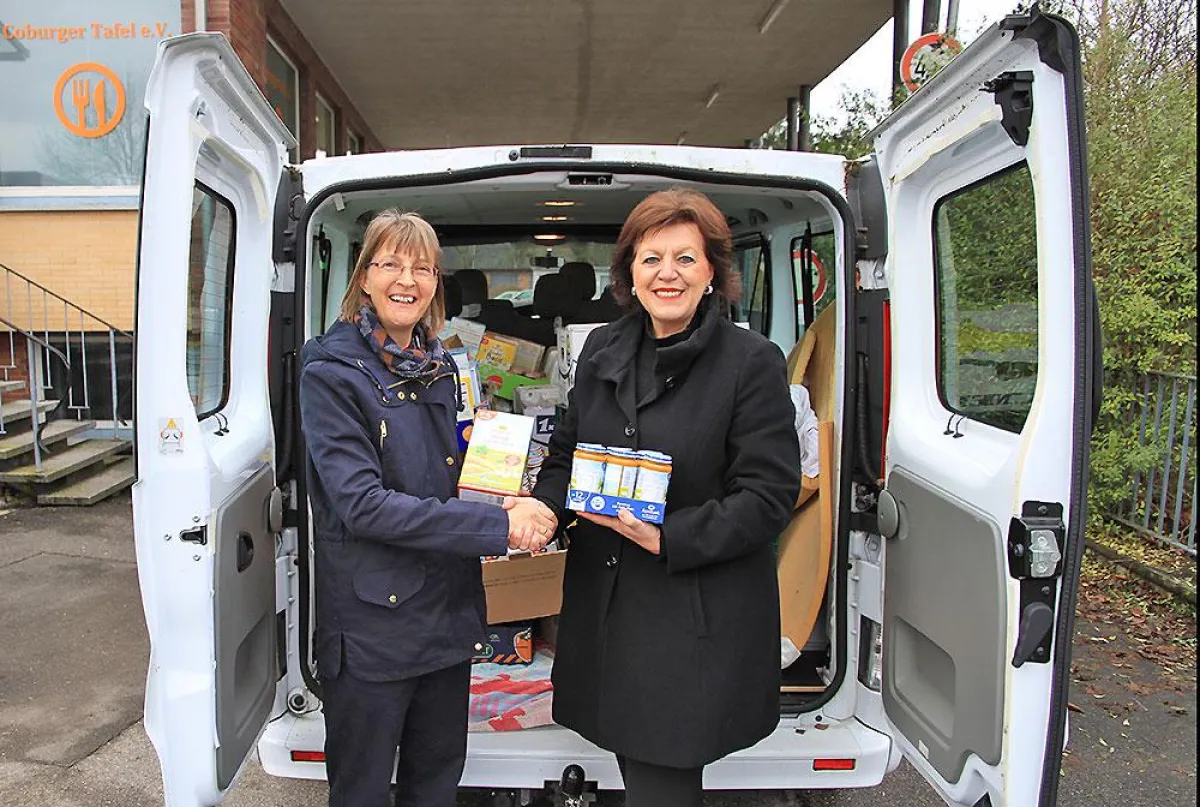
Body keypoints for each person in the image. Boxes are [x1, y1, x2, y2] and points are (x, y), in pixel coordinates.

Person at [532, 189, 802, 807]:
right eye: (651, 258)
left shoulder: (751, 362)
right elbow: (568, 450)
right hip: (608, 607)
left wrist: (667, 535)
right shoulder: (604, 346)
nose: (667, 274)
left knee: (663, 779)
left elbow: (768, 496)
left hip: (690, 614)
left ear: (713, 271)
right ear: (629, 270)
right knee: (634, 759)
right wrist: (543, 508)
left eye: (685, 258)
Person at [299, 209, 556, 807]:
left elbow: (450, 479)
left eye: (421, 267)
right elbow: (365, 507)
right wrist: (500, 526)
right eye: (390, 263)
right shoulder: (330, 371)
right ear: (364, 277)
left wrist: (499, 480)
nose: (405, 279)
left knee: (437, 782)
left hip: (446, 613)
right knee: (362, 790)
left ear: (436, 283)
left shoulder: (441, 363)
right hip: (373, 627)